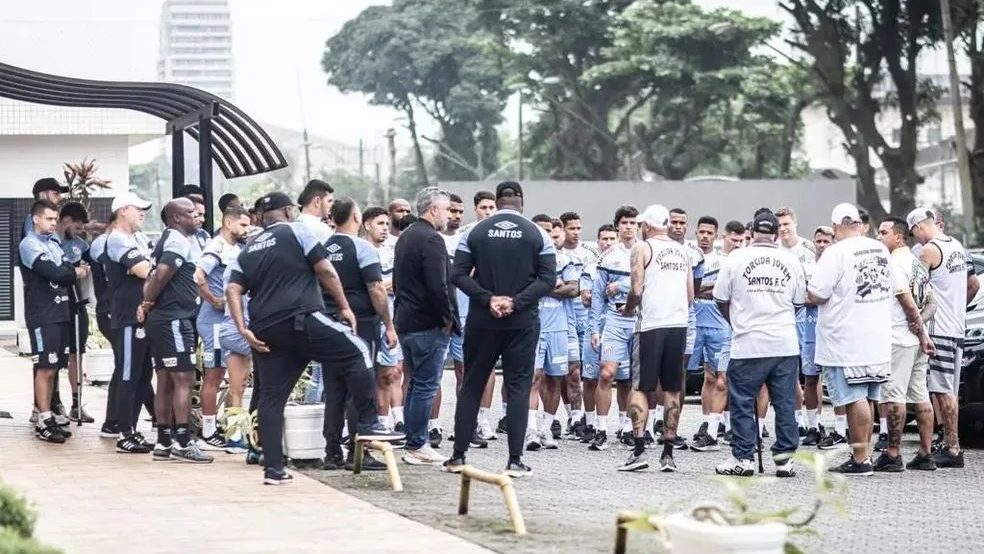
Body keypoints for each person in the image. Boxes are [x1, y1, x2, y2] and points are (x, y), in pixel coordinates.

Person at [226, 192, 401, 485]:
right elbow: (324, 269)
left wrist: (243, 328)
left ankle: (273, 469)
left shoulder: (249, 246)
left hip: (265, 329)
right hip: (302, 318)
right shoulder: (297, 230)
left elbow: (232, 289)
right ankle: (369, 422)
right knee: (357, 350)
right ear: (288, 211)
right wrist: (344, 305)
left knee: (271, 396)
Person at [447, 181, 555, 478]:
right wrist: (516, 302)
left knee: (472, 384)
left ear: (496, 201)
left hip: (483, 320)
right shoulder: (539, 233)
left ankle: (458, 456)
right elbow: (548, 280)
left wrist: (488, 298)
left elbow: (457, 274)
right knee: (518, 388)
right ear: (521, 201)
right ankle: (515, 460)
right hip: (521, 321)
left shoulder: (475, 232)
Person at [713, 211, 805, 478]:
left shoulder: (736, 258)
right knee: (785, 402)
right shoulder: (791, 260)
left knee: (742, 401)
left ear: (752, 232)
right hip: (785, 343)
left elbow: (720, 298)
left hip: (748, 342)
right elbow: (799, 303)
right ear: (776, 234)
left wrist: (735, 321)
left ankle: (743, 458)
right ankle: (785, 461)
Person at [808, 203, 895, 476]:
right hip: (878, 336)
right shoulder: (879, 248)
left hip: (847, 339)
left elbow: (818, 293)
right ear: (858, 223)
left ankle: (860, 460)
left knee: (855, 397)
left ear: (834, 227)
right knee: (868, 397)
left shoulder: (836, 252)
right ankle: (864, 454)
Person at [324, 198, 398, 470]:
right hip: (360, 326)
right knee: (360, 387)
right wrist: (388, 325)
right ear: (356, 217)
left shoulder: (322, 248)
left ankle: (331, 452)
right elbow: (377, 289)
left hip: (328, 326)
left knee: (334, 390)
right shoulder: (362, 248)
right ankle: (360, 451)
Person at [618, 205, 691, 473]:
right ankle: (668, 455)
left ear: (647, 226)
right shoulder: (683, 251)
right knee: (672, 389)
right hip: (678, 324)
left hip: (649, 325)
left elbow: (636, 289)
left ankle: (638, 451)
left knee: (639, 387)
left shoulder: (642, 248)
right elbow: (690, 296)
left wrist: (627, 308)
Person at [140, 198, 212, 463]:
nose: (197, 216)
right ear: (176, 219)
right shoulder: (178, 241)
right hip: (174, 320)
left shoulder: (169, 238)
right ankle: (182, 442)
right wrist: (147, 303)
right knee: (184, 379)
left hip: (164, 319)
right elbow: (160, 274)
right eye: (190, 213)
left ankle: (163, 441)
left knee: (165, 381)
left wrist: (147, 305)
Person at [909, 207, 980, 468]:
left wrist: (915, 320)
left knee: (943, 390)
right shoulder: (958, 246)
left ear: (918, 227)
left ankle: (952, 448)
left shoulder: (928, 251)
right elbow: (973, 285)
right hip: (956, 328)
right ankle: (951, 445)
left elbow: (915, 290)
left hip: (939, 330)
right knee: (946, 388)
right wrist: (957, 308)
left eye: (914, 233)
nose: (915, 239)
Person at [394, 187, 459, 465]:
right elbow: (438, 286)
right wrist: (448, 320)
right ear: (433, 210)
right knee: (424, 385)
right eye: (446, 209)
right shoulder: (431, 239)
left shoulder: (406, 236)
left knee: (415, 383)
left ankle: (413, 441)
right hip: (428, 324)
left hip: (407, 321)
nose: (449, 215)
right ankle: (417, 444)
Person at [875, 216, 938, 471]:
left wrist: (916, 327)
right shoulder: (916, 263)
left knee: (894, 396)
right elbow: (932, 303)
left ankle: (893, 454)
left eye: (883, 232)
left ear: (898, 236)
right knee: (920, 395)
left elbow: (906, 301)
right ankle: (926, 452)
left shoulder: (894, 263)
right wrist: (921, 329)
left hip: (898, 339)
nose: (878, 237)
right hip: (915, 340)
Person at [20, 200, 84, 443]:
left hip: (61, 311)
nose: (52, 224)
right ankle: (44, 419)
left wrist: (69, 271)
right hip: (42, 313)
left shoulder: (54, 243)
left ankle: (49, 417)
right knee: (45, 367)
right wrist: (72, 272)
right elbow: (57, 272)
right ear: (35, 219)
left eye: (54, 219)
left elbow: (65, 267)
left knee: (56, 366)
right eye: (48, 219)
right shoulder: (29, 244)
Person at [194, 205, 252, 450]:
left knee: (236, 381)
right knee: (214, 376)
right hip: (214, 322)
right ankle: (208, 431)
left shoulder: (238, 249)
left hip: (229, 320)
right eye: (243, 225)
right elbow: (198, 275)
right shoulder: (216, 247)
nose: (246, 230)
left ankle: (231, 431)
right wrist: (214, 299)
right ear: (229, 223)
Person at [104, 193, 156, 454]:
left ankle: (132, 430)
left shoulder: (138, 238)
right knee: (127, 374)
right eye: (138, 209)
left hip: (144, 316)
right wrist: (147, 266)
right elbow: (146, 271)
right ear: (123, 210)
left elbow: (153, 266)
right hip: (127, 316)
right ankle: (123, 433)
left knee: (143, 375)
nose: (143, 213)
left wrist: (149, 265)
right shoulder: (116, 239)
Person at [588, 206, 639, 451]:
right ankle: (600, 429)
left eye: (633, 223)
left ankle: (628, 427)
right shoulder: (607, 257)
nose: (629, 227)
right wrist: (594, 329)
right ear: (617, 226)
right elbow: (597, 296)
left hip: (639, 321)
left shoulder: (646, 252)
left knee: (630, 380)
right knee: (607, 373)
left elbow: (652, 283)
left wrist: (622, 283)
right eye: (625, 223)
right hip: (614, 321)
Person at [527, 218, 577, 451]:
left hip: (559, 327)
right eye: (543, 231)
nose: (547, 235)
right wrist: (553, 285)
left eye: (550, 231)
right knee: (533, 377)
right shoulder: (526, 259)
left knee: (555, 379)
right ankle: (531, 430)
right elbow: (522, 289)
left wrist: (540, 287)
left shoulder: (565, 260)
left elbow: (573, 289)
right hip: (534, 326)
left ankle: (547, 429)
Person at [689, 215, 729, 452]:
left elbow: (718, 289)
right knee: (705, 377)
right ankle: (706, 421)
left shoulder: (723, 261)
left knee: (720, 376)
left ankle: (721, 422)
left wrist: (698, 288)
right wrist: (704, 287)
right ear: (696, 233)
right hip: (694, 323)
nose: (705, 236)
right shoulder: (689, 256)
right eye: (701, 232)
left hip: (718, 325)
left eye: (709, 233)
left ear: (716, 235)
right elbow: (690, 291)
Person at [363, 206, 403, 433]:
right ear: (367, 225)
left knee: (390, 372)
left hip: (392, 320)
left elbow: (400, 281)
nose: (385, 228)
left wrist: (380, 286)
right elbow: (368, 287)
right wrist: (380, 287)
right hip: (369, 320)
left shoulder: (394, 249)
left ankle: (387, 422)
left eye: (387, 224)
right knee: (368, 374)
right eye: (380, 224)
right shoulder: (361, 248)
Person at [54, 202, 94, 424]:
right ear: (66, 221)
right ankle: (53, 402)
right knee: (54, 356)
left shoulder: (80, 245)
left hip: (77, 302)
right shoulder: (50, 242)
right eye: (77, 227)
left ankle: (76, 404)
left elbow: (93, 263)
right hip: (56, 304)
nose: (80, 233)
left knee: (76, 354)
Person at [578, 224, 617, 442]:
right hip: (593, 326)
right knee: (590, 377)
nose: (608, 243)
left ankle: (624, 426)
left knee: (621, 378)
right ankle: (590, 422)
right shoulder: (591, 266)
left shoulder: (627, 262)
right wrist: (606, 290)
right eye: (604, 239)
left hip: (617, 325)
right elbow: (585, 298)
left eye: (612, 238)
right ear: (598, 241)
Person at [558, 211, 595, 438]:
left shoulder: (590, 254)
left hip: (587, 316)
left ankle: (583, 416)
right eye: (572, 228)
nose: (576, 232)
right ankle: (573, 415)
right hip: (565, 314)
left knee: (587, 371)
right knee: (570, 370)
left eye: (579, 228)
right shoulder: (557, 255)